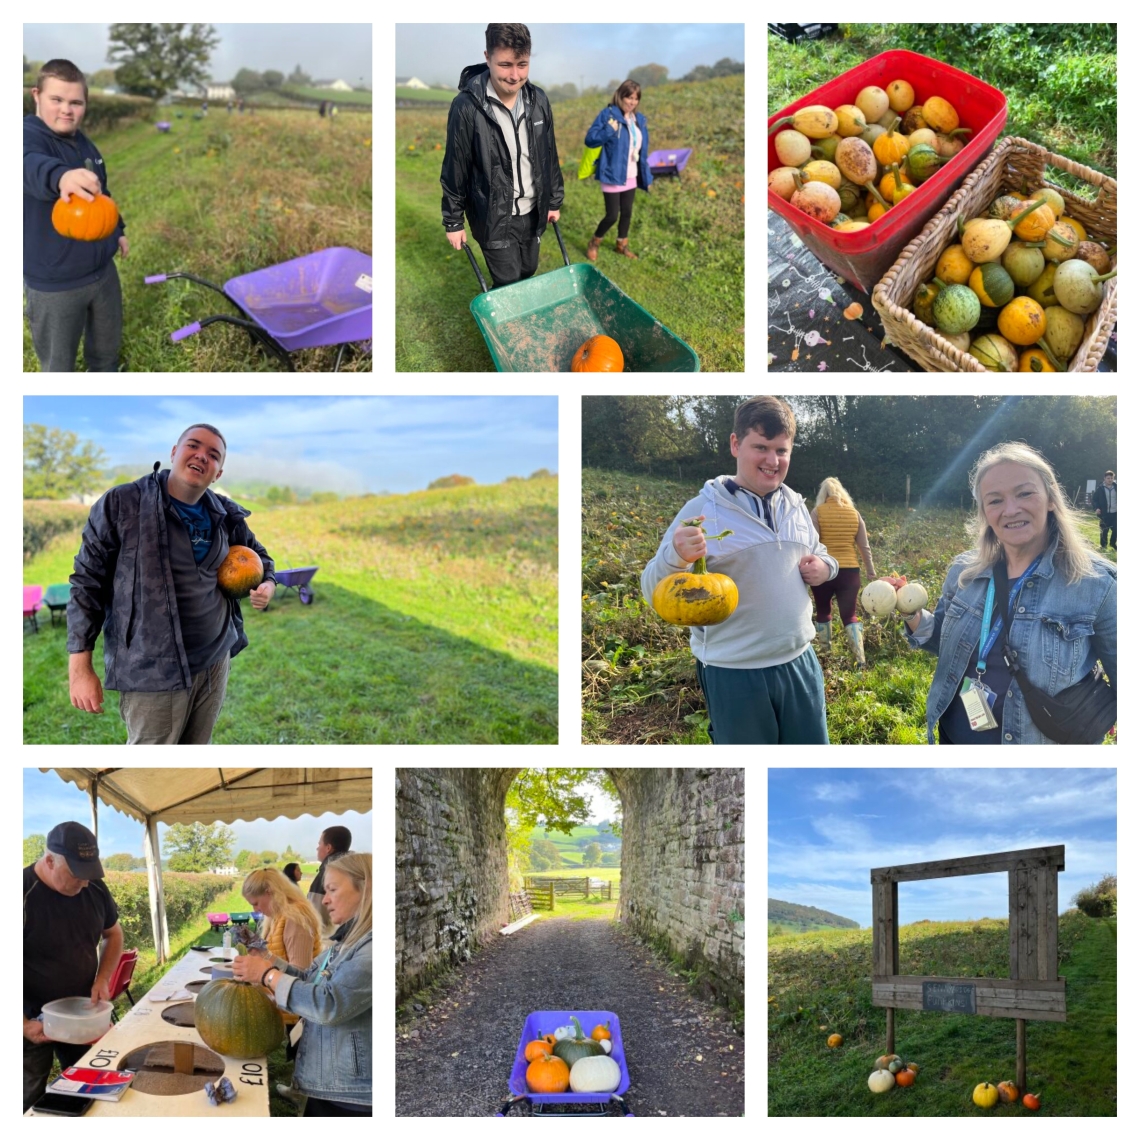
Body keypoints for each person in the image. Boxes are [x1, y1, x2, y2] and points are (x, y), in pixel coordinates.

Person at [641, 396, 838, 744]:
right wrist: (676, 555)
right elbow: (652, 591)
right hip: (734, 673)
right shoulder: (703, 509)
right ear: (735, 444)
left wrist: (826, 567)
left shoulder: (796, 506)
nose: (772, 460)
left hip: (800, 663)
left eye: (781, 450)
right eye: (760, 447)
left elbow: (819, 552)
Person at [66, 423, 277, 744]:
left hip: (215, 660)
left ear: (218, 473)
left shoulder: (223, 512)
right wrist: (80, 668)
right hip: (152, 672)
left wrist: (268, 585)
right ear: (174, 452)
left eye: (213, 455)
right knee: (151, 769)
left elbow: (259, 556)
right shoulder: (123, 504)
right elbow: (86, 584)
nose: (201, 456)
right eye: (193, 446)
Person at [904, 441, 1116, 744]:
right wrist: (911, 614)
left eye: (1025, 493)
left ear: (1051, 499)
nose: (1011, 509)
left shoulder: (1097, 584)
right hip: (955, 737)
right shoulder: (965, 572)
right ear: (984, 513)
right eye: (995, 500)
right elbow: (946, 643)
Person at [231, 853, 372, 1116]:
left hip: (350, 1096)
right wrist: (267, 961)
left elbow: (328, 1003)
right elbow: (310, 978)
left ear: (366, 889)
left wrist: (268, 976)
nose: (325, 899)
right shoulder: (347, 942)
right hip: (332, 1084)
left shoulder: (371, 950)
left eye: (332, 889)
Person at [441, 23, 564, 288]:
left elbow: (549, 155)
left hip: (533, 212)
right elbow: (455, 167)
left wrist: (554, 201)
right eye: (505, 65)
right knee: (508, 280)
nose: (514, 75)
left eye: (522, 64)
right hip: (493, 216)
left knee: (528, 270)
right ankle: (508, 326)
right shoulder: (466, 107)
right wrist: (453, 222)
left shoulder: (538, 100)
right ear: (487, 57)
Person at [24, 59, 128, 372]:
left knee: (106, 353)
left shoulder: (85, 144)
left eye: (75, 102)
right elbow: (26, 163)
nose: (66, 110)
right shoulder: (25, 137)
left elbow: (102, 195)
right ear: (37, 96)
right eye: (56, 99)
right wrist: (61, 176)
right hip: (56, 282)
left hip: (102, 272)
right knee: (59, 365)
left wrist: (117, 229)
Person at [24, 823, 124, 1114]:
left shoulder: (93, 885)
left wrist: (103, 978)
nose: (84, 883)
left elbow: (114, 934)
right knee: (28, 1092)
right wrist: (21, 1024)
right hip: (31, 1014)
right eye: (76, 874)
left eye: (89, 873)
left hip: (82, 1011)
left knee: (89, 1079)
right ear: (50, 860)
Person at [809, 477, 878, 669]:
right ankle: (860, 660)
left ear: (823, 494)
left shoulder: (817, 512)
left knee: (823, 611)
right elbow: (864, 547)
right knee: (850, 615)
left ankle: (825, 657)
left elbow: (812, 544)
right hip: (850, 572)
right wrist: (871, 571)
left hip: (824, 571)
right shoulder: (853, 514)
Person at [583, 80, 652, 261]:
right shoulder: (608, 115)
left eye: (636, 99)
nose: (632, 102)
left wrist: (647, 176)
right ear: (620, 96)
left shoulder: (639, 120)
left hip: (631, 174)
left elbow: (643, 151)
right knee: (612, 215)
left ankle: (622, 245)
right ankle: (594, 242)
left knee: (627, 212)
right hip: (612, 173)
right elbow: (590, 140)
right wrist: (608, 130)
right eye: (629, 97)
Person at [308, 826, 351, 934]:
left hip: (331, 939)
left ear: (328, 848)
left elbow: (316, 915)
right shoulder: (355, 868)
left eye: (319, 844)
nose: (317, 848)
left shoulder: (328, 873)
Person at [1092, 470, 1116, 551]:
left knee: (1116, 529)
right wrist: (1097, 508)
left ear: (1113, 478)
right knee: (1104, 531)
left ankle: (1113, 543)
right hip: (1104, 514)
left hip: (1115, 513)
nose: (1110, 480)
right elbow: (1094, 500)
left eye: (1111, 478)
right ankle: (1103, 546)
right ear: (1104, 479)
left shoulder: (1117, 488)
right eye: (1108, 478)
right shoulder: (1100, 489)